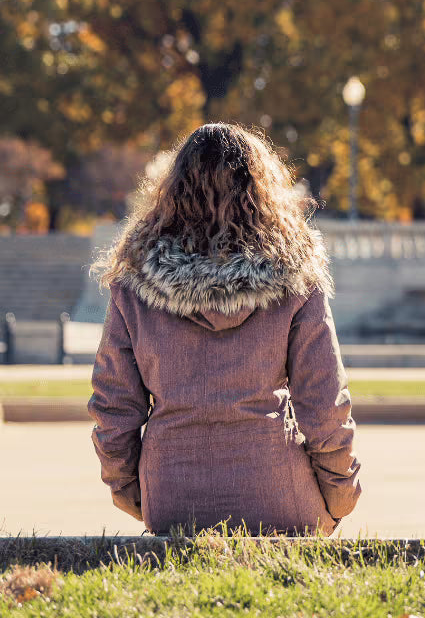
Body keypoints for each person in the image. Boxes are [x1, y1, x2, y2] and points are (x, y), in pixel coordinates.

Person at [88, 123, 361, 535]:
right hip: (278, 491)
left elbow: (114, 405)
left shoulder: (134, 285)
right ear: (261, 192)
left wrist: (130, 490)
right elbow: (325, 405)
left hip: (170, 493)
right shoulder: (296, 279)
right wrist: (340, 495)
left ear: (172, 191)